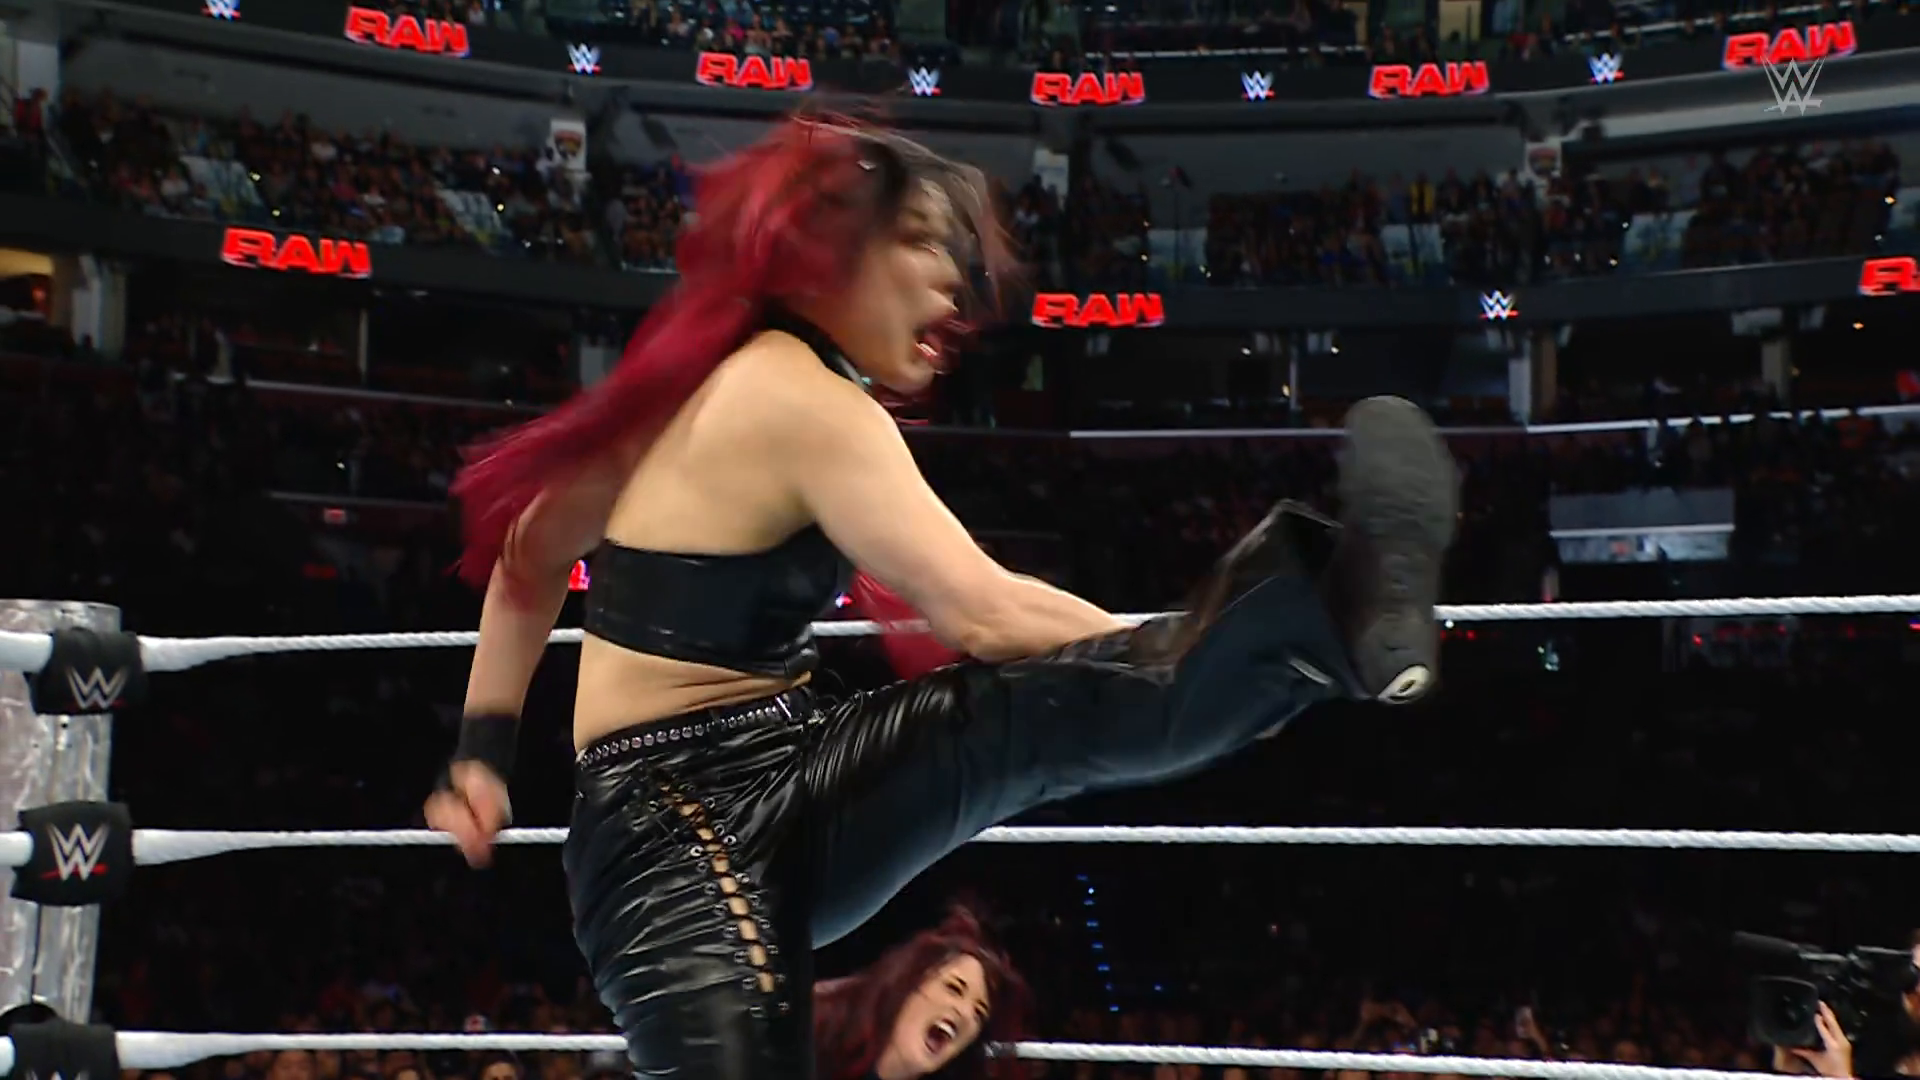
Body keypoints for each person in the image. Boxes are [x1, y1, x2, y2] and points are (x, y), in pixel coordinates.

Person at [424, 117, 1459, 1080]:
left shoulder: (709, 384)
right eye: (922, 242)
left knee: (1019, 719)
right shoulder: (797, 399)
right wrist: (1166, 650)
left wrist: (481, 748)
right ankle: (1317, 621)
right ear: (836, 254)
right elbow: (985, 615)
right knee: (1044, 705)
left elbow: (528, 559)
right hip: (676, 842)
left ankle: (1330, 614)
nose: (955, 284)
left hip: (786, 762)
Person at [813, 906, 1029, 1080]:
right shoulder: (813, 1023)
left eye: (979, 1013)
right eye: (954, 988)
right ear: (908, 981)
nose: (965, 1013)